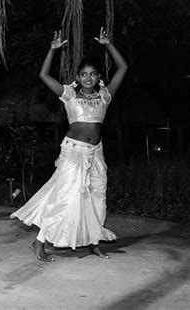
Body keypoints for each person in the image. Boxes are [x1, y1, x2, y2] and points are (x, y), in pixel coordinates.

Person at [11, 27, 128, 262]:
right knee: (65, 196)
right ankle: (39, 242)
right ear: (77, 77)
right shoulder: (69, 95)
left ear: (98, 77)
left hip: (96, 153)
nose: (88, 78)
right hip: (73, 152)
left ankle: (93, 242)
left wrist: (108, 44)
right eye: (83, 74)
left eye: (93, 74)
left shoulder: (104, 95)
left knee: (97, 196)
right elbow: (44, 76)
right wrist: (52, 50)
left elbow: (123, 67)